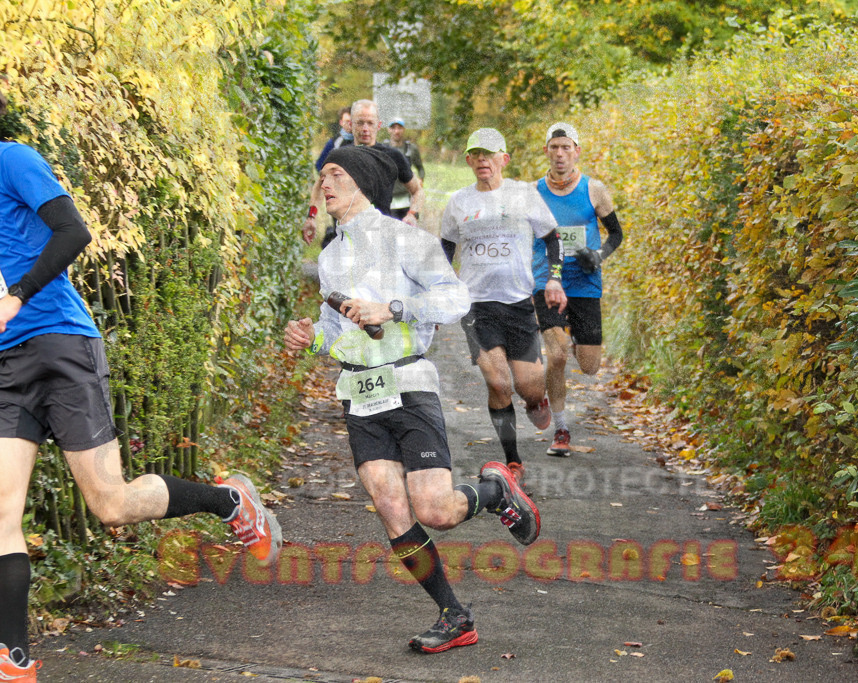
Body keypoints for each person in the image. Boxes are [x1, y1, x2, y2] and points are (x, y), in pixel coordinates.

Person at [0, 92, 282, 681]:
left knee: (111, 503)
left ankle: (229, 500)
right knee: (2, 512)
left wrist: (16, 295)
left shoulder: (13, 159)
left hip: (61, 346)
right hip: (4, 366)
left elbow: (72, 232)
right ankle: (14, 660)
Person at [283, 144, 540, 654]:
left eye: (335, 175)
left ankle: (494, 491)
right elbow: (341, 332)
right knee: (391, 507)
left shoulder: (405, 240)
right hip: (358, 392)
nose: (325, 185)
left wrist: (393, 307)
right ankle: (454, 615)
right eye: (323, 177)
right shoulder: (332, 254)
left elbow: (456, 297)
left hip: (407, 384)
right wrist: (311, 336)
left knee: (437, 510)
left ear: (363, 184)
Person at [440, 128, 567, 483]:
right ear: (468, 160)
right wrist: (439, 290)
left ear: (503, 159)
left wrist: (553, 278)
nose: (482, 160)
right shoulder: (459, 202)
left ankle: (535, 401)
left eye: (489, 154)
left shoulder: (523, 194)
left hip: (518, 304)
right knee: (497, 383)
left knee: (529, 387)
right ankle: (513, 460)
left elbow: (551, 237)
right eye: (475, 155)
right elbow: (445, 250)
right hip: (476, 307)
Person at [531, 122, 623, 456]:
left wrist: (598, 256)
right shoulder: (533, 193)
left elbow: (617, 235)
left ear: (576, 152)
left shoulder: (594, 190)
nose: (559, 154)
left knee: (589, 365)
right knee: (555, 356)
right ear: (546, 151)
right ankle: (561, 429)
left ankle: (569, 341)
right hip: (546, 282)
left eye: (566, 147)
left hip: (584, 284)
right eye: (554, 147)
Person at [302, 100, 425, 247]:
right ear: (351, 125)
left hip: (380, 240)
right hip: (345, 240)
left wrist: (412, 214)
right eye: (360, 123)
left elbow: (417, 191)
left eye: (370, 123)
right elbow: (319, 186)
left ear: (378, 125)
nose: (365, 128)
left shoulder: (393, 157)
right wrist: (311, 217)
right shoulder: (338, 156)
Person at [306, 107, 354, 249]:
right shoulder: (334, 143)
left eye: (352, 122)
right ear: (340, 122)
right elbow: (321, 168)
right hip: (339, 198)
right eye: (347, 121)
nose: (349, 125)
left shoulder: (362, 144)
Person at [386, 118, 425, 221]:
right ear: (388, 130)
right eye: (393, 128)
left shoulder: (411, 149)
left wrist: (421, 179)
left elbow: (420, 168)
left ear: (404, 130)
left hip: (407, 198)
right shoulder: (382, 148)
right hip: (388, 199)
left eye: (399, 128)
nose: (396, 131)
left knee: (406, 232)